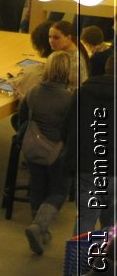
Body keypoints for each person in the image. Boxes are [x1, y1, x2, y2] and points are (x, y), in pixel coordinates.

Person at [20, 51, 80, 256]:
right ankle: (39, 226)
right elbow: (74, 128)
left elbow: (22, 118)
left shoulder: (34, 91)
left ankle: (39, 229)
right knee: (59, 190)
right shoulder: (71, 97)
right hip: (58, 151)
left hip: (33, 147)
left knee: (37, 185)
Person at [75, 67, 115, 236]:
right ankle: (107, 259)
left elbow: (70, 128)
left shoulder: (82, 93)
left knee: (86, 218)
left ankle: (79, 261)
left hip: (88, 166)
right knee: (111, 223)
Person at [48, 19, 91, 84]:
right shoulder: (70, 51)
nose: (51, 41)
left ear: (68, 38)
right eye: (50, 37)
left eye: (56, 38)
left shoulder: (74, 62)